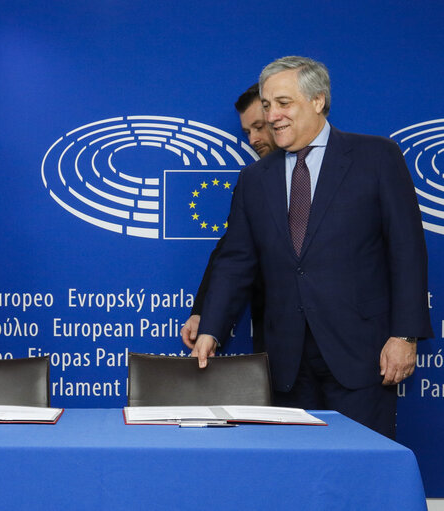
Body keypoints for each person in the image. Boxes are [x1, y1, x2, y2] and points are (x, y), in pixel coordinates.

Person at [187, 56, 432, 438]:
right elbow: (236, 260)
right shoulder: (254, 179)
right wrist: (212, 328)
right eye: (267, 105)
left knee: (360, 476)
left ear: (318, 101)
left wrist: (404, 335)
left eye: (284, 103)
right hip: (285, 360)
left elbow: (407, 252)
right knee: (293, 479)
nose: (272, 116)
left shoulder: (377, 157)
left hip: (362, 355)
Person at [182, 84, 275, 353]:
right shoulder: (253, 182)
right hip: (278, 342)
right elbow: (232, 251)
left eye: (260, 127)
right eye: (248, 131)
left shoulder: (347, 168)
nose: (253, 139)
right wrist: (202, 313)